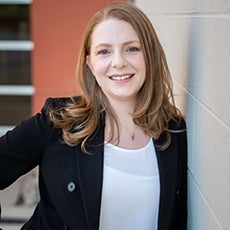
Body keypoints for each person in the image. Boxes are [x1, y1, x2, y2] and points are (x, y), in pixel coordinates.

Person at [0, 2, 187, 230]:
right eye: (104, 51)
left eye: (132, 49)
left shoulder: (173, 131)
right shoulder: (58, 122)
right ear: (90, 63)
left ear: (150, 55)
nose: (118, 62)